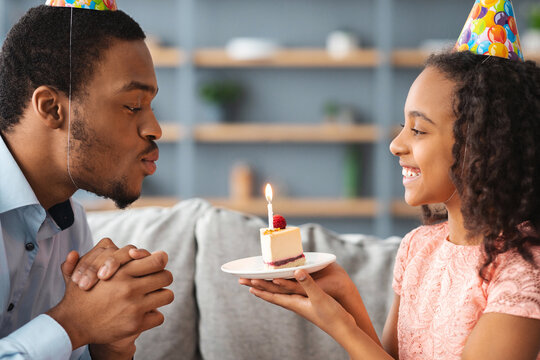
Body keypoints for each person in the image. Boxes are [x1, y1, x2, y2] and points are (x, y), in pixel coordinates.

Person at [239, 2, 540, 358]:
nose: (397, 145)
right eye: (403, 127)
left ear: (484, 144)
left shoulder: (525, 271)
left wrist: (338, 324)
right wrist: (345, 297)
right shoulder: (418, 247)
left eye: (418, 129)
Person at [0, 2, 174, 359]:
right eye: (132, 105)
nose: (154, 129)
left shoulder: (71, 225)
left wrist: (108, 345)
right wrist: (73, 324)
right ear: (51, 108)